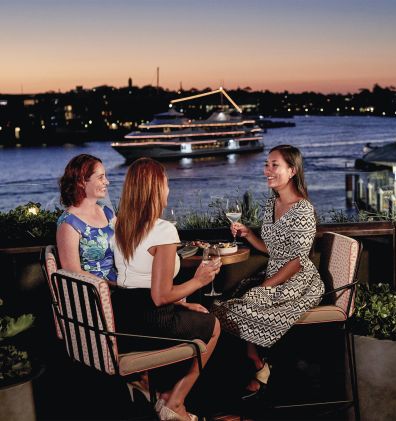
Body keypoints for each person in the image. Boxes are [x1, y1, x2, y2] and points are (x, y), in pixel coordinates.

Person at [111, 158, 221, 421]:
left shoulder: (120, 226)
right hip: (152, 322)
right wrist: (199, 280)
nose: (168, 190)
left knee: (195, 315)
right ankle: (174, 403)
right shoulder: (163, 230)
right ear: (156, 189)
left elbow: (138, 281)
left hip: (123, 320)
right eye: (167, 184)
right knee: (213, 325)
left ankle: (165, 398)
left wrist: (182, 304)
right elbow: (159, 296)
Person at [212, 144, 324, 399]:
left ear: (292, 170)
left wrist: (267, 285)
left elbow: (296, 260)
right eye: (267, 165)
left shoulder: (303, 210)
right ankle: (257, 363)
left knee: (248, 301)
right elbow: (273, 250)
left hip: (299, 280)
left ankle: (257, 363)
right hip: (276, 273)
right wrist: (248, 234)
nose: (267, 170)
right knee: (225, 304)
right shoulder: (271, 203)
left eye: (275, 165)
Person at [56, 154, 117, 282]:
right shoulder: (69, 223)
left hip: (119, 282)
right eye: (101, 177)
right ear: (82, 182)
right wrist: (110, 285)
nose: (107, 182)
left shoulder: (107, 213)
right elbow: (72, 272)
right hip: (94, 292)